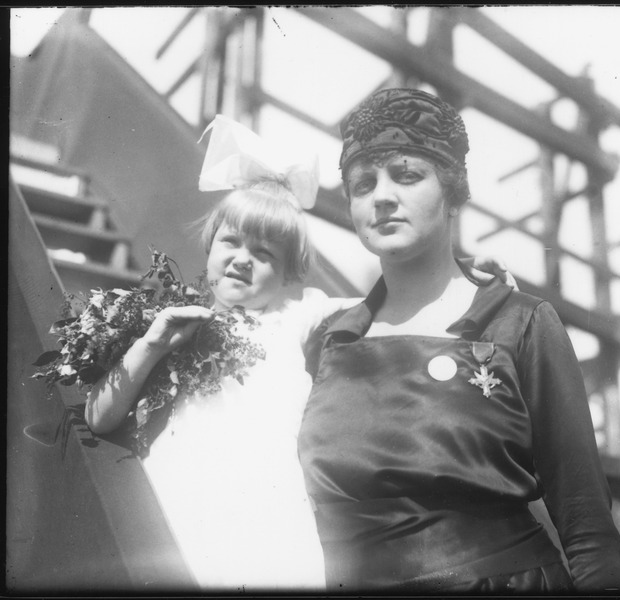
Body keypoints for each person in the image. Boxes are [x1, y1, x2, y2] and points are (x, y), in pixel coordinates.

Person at [85, 115, 516, 592]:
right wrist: (151, 345)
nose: (243, 259)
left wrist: (459, 271)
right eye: (230, 241)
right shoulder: (170, 323)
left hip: (267, 516)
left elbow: (394, 296)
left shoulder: (298, 319)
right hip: (179, 497)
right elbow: (100, 417)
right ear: (209, 247)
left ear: (290, 272)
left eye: (265, 253)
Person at [298, 88, 620, 593]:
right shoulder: (327, 340)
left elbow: (587, 525)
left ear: (453, 192)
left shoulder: (519, 324)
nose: (382, 196)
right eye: (362, 184)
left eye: (407, 175)